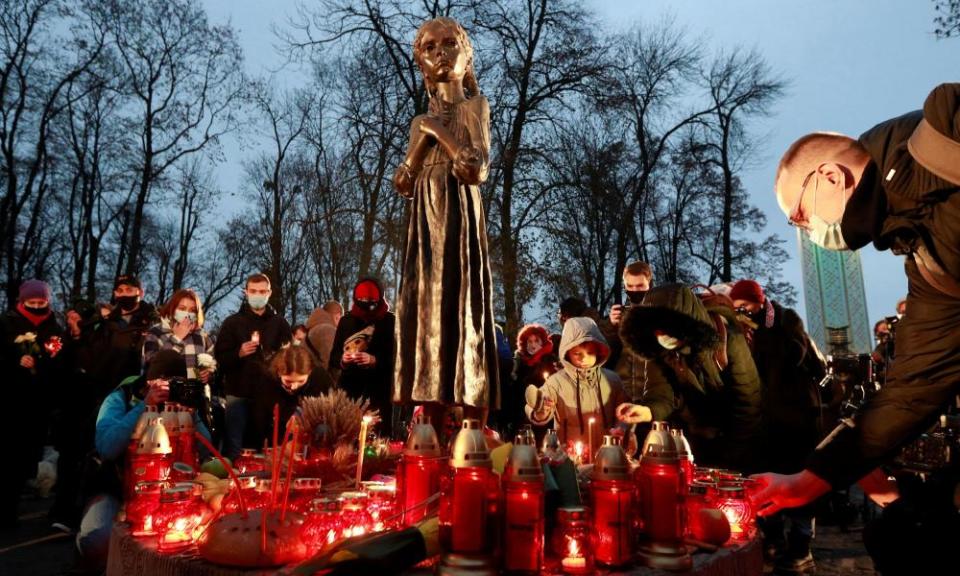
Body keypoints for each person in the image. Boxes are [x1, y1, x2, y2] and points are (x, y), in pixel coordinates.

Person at [751, 85, 960, 565]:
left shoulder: (946, 128)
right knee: (906, 539)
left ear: (829, 175)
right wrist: (811, 478)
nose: (810, 235)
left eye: (801, 218)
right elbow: (913, 386)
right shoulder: (926, 263)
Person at [392, 17, 499, 428]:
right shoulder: (419, 121)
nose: (440, 54)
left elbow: (475, 168)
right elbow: (403, 181)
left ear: (465, 54)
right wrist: (421, 142)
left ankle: (473, 412)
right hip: (425, 220)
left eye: (449, 45)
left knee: (462, 300)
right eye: (430, 48)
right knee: (427, 306)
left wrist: (440, 133)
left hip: (459, 213)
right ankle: (431, 408)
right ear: (421, 62)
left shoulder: (475, 107)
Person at [76, 350, 210, 569]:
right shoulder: (121, 397)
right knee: (98, 539)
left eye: (176, 384)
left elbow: (206, 451)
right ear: (150, 380)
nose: (170, 390)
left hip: (169, 493)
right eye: (166, 383)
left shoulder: (182, 402)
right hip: (116, 488)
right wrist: (143, 406)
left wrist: (191, 413)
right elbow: (107, 447)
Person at [730, 278, 825, 573]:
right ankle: (773, 540)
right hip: (766, 422)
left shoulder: (784, 319)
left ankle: (801, 547)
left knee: (799, 484)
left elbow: (799, 357)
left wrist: (765, 339)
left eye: (745, 305)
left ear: (759, 301)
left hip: (797, 418)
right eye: (737, 307)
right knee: (767, 481)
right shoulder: (742, 330)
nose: (742, 311)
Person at [617, 283, 764, 472]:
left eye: (666, 326)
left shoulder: (730, 341)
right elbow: (662, 392)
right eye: (655, 329)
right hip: (692, 443)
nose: (661, 334)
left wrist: (732, 458)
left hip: (736, 443)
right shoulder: (658, 349)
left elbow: (748, 403)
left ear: (684, 322)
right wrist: (648, 410)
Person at [0, 280, 64, 530]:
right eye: (32, 303)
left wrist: (39, 367)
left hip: (36, 406)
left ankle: (9, 511)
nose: (37, 306)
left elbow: (58, 362)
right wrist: (15, 361)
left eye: (42, 303)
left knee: (22, 461)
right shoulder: (6, 324)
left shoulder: (54, 329)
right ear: (22, 301)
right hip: (7, 400)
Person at [214, 273, 291, 459]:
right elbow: (220, 359)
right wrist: (238, 354)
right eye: (253, 291)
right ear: (246, 292)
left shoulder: (279, 323)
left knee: (265, 448)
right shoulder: (232, 323)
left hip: (269, 396)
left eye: (262, 291)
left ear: (269, 293)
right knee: (235, 447)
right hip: (238, 393)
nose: (258, 295)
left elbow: (291, 358)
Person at [526, 317, 628, 457]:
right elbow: (537, 402)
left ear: (599, 351)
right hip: (570, 458)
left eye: (590, 353)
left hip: (607, 456)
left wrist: (620, 428)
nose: (583, 358)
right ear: (567, 352)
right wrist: (541, 410)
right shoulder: (557, 381)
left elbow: (623, 411)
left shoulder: (612, 380)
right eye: (577, 353)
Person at [331, 278, 396, 436]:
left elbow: (397, 360)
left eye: (370, 300)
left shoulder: (390, 322)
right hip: (350, 392)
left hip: (379, 393)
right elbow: (333, 357)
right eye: (362, 300)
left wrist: (375, 360)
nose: (366, 304)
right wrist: (343, 360)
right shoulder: (346, 322)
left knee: (377, 442)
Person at [87, 274, 158, 397]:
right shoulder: (105, 322)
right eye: (120, 290)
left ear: (140, 292)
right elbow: (91, 354)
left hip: (135, 393)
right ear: (115, 294)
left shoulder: (153, 323)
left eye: (129, 290)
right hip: (101, 392)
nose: (124, 294)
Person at [250, 345, 334, 448]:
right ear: (278, 373)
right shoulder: (267, 380)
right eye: (288, 381)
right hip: (276, 436)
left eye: (301, 381)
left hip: (313, 436)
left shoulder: (320, 378)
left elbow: (329, 408)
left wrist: (302, 416)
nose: (294, 387)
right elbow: (260, 419)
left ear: (310, 372)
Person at [602, 260, 654, 402]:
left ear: (649, 284)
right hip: (622, 393)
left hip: (654, 393)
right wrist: (612, 327)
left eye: (640, 286)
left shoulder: (661, 314)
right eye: (630, 286)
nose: (635, 290)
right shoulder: (618, 317)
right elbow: (604, 359)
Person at [142, 288, 215, 383]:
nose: (187, 314)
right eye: (182, 308)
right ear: (173, 309)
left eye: (192, 310)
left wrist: (209, 373)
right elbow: (151, 364)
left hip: (194, 393)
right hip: (163, 391)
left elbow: (213, 363)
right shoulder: (156, 331)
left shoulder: (202, 335)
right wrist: (177, 338)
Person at [505, 323, 560, 437]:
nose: (533, 345)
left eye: (536, 341)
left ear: (542, 343)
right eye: (529, 341)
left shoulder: (550, 362)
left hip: (544, 417)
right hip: (521, 417)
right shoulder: (518, 362)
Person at [304, 303, 339, 369]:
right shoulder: (328, 330)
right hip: (318, 377)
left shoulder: (315, 328)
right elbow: (332, 363)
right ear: (337, 316)